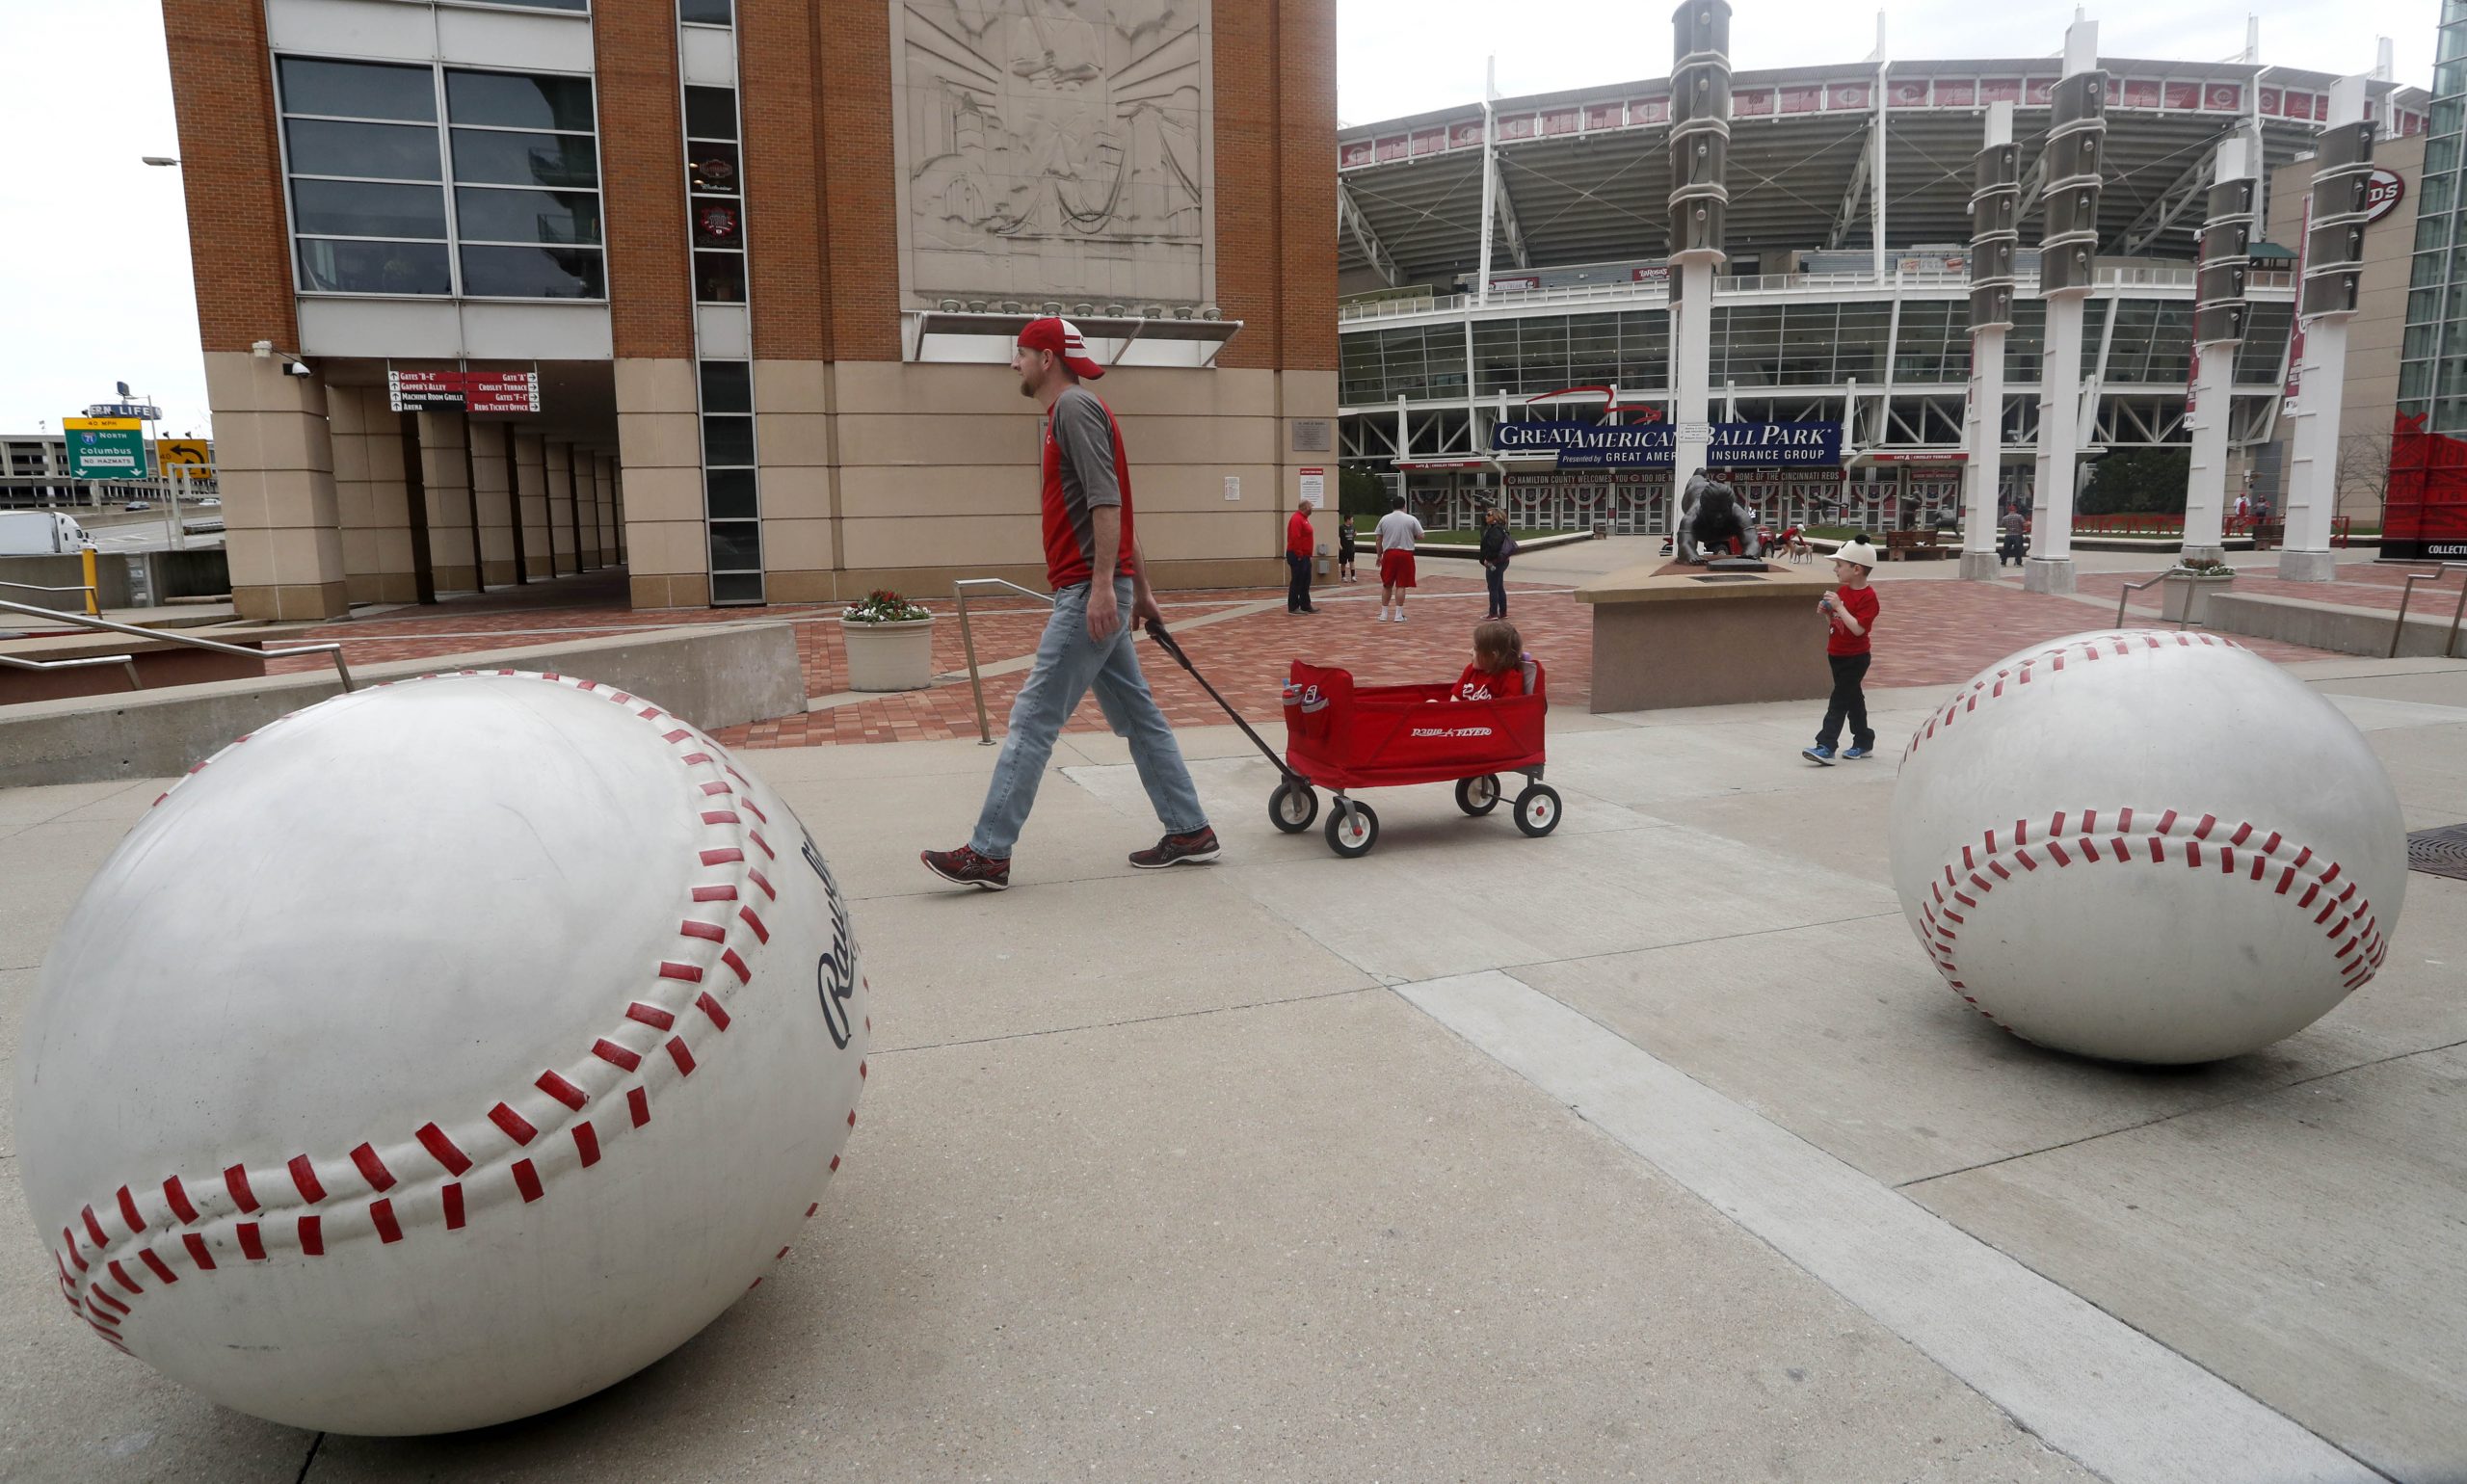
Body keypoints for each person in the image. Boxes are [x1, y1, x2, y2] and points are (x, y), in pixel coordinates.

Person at [921, 318, 1216, 890]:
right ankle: (1189, 831)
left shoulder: (1073, 411)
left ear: (1048, 358)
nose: (1015, 364)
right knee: (1139, 719)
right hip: (1099, 585)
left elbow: (1108, 504)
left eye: (1022, 354)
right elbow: (1119, 510)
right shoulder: (1077, 412)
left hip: (1086, 591)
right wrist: (1141, 590)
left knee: (1032, 720)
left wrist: (1107, 586)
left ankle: (989, 853)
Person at [1803, 540, 1882, 765]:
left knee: (1839, 701)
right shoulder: (1844, 591)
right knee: (1853, 699)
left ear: (1856, 569)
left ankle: (1826, 745)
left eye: (1839, 565)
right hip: (1836, 653)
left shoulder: (1868, 597)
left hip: (1856, 658)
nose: (1835, 569)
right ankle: (1864, 741)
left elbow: (1858, 629)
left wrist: (1839, 607)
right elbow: (1839, 623)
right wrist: (1828, 612)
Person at [1451, 619, 1526, 701]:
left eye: (1476, 649)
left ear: (1493, 656)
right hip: (1462, 712)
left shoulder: (1510, 678)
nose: (1470, 652)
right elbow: (1455, 698)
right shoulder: (1470, 670)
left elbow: (1509, 708)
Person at [1375, 494, 1423, 623]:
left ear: (1392, 506)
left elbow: (1379, 538)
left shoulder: (1384, 519)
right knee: (1401, 585)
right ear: (1404, 506)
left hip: (1389, 553)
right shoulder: (1411, 519)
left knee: (1387, 584)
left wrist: (1379, 555)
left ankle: (1384, 614)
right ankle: (1398, 614)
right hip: (1405, 554)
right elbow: (1421, 535)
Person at [1285, 494, 1319, 615]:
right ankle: (1293, 607)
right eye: (1311, 506)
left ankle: (1305, 605)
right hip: (1297, 555)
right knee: (1297, 581)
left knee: (1305, 581)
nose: (1312, 508)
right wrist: (1299, 554)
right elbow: (1295, 538)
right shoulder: (1297, 519)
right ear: (1305, 507)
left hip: (1305, 556)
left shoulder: (1304, 518)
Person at [1478, 505, 1513, 619]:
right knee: (1499, 587)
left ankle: (1493, 613)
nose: (1486, 516)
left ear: (1495, 517)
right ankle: (1503, 612)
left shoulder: (1495, 530)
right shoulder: (1499, 528)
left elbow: (1494, 546)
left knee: (1493, 587)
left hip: (1495, 562)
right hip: (1501, 561)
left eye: (1489, 514)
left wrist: (1488, 559)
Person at [1338, 515, 1358, 583]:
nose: (1353, 521)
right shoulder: (1341, 527)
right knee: (1343, 563)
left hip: (1351, 548)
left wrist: (1355, 534)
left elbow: (1352, 536)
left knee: (1352, 562)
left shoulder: (1353, 527)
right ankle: (1343, 577)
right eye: (1352, 519)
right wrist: (1339, 545)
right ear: (1348, 520)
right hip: (1343, 548)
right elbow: (1338, 537)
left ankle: (1353, 576)